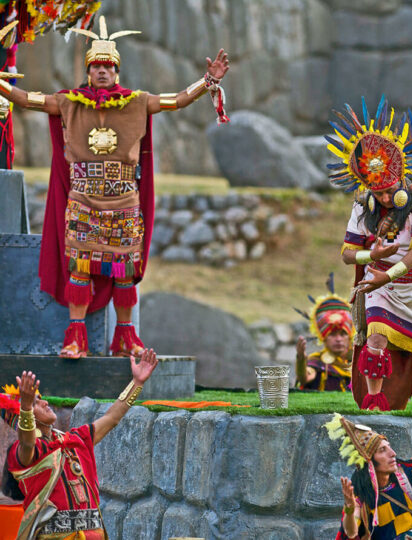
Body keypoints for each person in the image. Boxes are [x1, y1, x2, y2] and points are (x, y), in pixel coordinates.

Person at [0, 16, 229, 358]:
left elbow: (178, 100)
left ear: (117, 71)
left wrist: (207, 81)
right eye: (96, 66)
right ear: (88, 70)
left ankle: (125, 339)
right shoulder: (69, 102)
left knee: (124, 272)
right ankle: (76, 338)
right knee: (80, 267)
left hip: (124, 203)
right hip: (82, 201)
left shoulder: (137, 102)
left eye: (108, 66)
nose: (102, 72)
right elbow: (27, 98)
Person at [326, 95, 412, 411]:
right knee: (376, 339)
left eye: (386, 190)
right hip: (382, 287)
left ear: (400, 181)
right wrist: (372, 258)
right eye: (376, 191)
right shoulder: (362, 205)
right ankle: (374, 401)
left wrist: (389, 272)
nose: (382, 197)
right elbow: (348, 253)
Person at [1, 348, 158, 539]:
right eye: (36, 403)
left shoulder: (75, 439)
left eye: (40, 399)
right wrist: (26, 407)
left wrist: (137, 382)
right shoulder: (27, 452)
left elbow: (111, 418)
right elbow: (27, 441)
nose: (44, 403)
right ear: (23, 416)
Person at [324, 413, 412, 540]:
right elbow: (351, 533)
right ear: (370, 463)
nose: (393, 453)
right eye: (382, 450)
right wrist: (349, 509)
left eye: (389, 447)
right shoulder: (362, 495)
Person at [294, 274, 354, 391]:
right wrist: (301, 359)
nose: (338, 339)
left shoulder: (359, 362)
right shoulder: (316, 362)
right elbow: (305, 378)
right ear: (323, 338)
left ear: (349, 336)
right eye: (332, 334)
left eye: (342, 334)